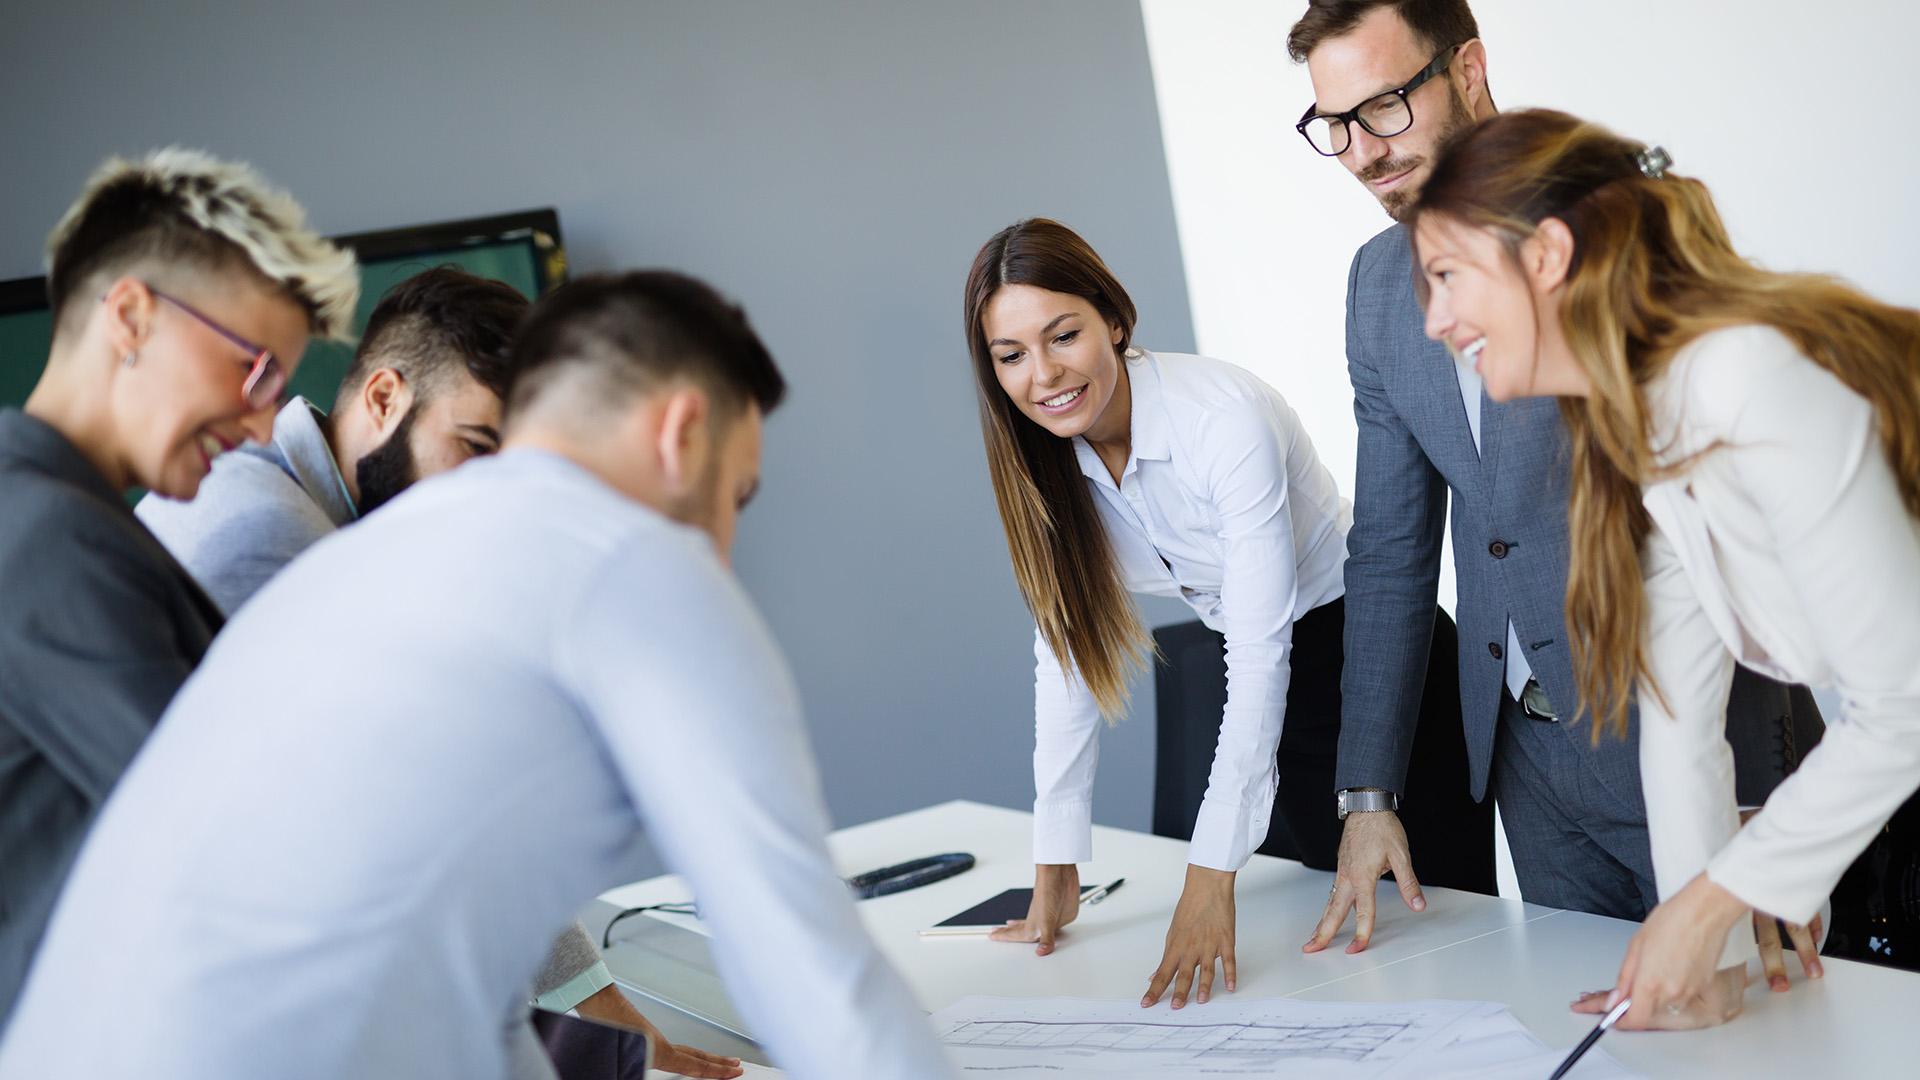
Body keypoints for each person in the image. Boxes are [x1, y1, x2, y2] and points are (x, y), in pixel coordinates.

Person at [0, 271, 958, 1080]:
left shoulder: (356, 557)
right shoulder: (637, 562)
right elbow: (810, 975)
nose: (724, 544)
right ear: (679, 432)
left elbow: (463, 979)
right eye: (734, 494)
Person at [1284, 0, 1819, 961]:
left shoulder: (1614, 226)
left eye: (1385, 107)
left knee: (1767, 1032)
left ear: (1470, 69)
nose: (1362, 151)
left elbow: (1728, 520)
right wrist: (1368, 794)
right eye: (1336, 126)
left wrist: (1756, 802)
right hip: (1524, 763)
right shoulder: (1374, 287)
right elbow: (1392, 552)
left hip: (1682, 735)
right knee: (1606, 1036)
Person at [135, 265, 730, 1076]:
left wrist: (620, 1030)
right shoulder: (267, 541)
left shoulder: (355, 532)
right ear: (383, 399)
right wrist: (615, 1049)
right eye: (477, 448)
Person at [1410, 107, 1920, 1029]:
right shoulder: (1640, 420)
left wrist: (1708, 907)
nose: (1436, 319)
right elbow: (1681, 717)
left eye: (1447, 277)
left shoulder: (1744, 376)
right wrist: (1702, 973)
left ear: (1548, 254)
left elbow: (1905, 706)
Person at [964, 217, 1481, 1009]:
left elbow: (1261, 652)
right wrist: (1056, 860)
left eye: (1062, 335)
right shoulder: (1043, 461)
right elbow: (1063, 657)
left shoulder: (1220, 417)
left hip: (1376, 665)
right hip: (1279, 697)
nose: (1044, 374)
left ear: (1114, 318)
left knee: (1440, 947)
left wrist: (1206, 882)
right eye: (1011, 356)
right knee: (1333, 972)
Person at [0, 148, 355, 1019]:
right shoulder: (54, 542)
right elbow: (226, 844)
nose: (267, 416)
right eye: (254, 368)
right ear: (131, 316)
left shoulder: (57, 517)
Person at [136, 265, 526, 614]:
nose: (491, 486)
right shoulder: (278, 533)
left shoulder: (270, 481)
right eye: (476, 446)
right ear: (384, 400)